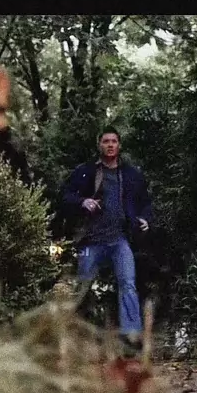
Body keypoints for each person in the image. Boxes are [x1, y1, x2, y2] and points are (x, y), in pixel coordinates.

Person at [60, 126, 153, 354]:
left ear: (119, 145)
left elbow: (145, 202)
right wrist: (83, 202)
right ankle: (77, 339)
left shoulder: (131, 174)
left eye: (114, 141)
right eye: (106, 141)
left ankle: (131, 339)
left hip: (119, 240)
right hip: (91, 240)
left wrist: (145, 219)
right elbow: (64, 196)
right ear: (99, 145)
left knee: (128, 284)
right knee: (82, 287)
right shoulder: (85, 171)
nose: (110, 145)